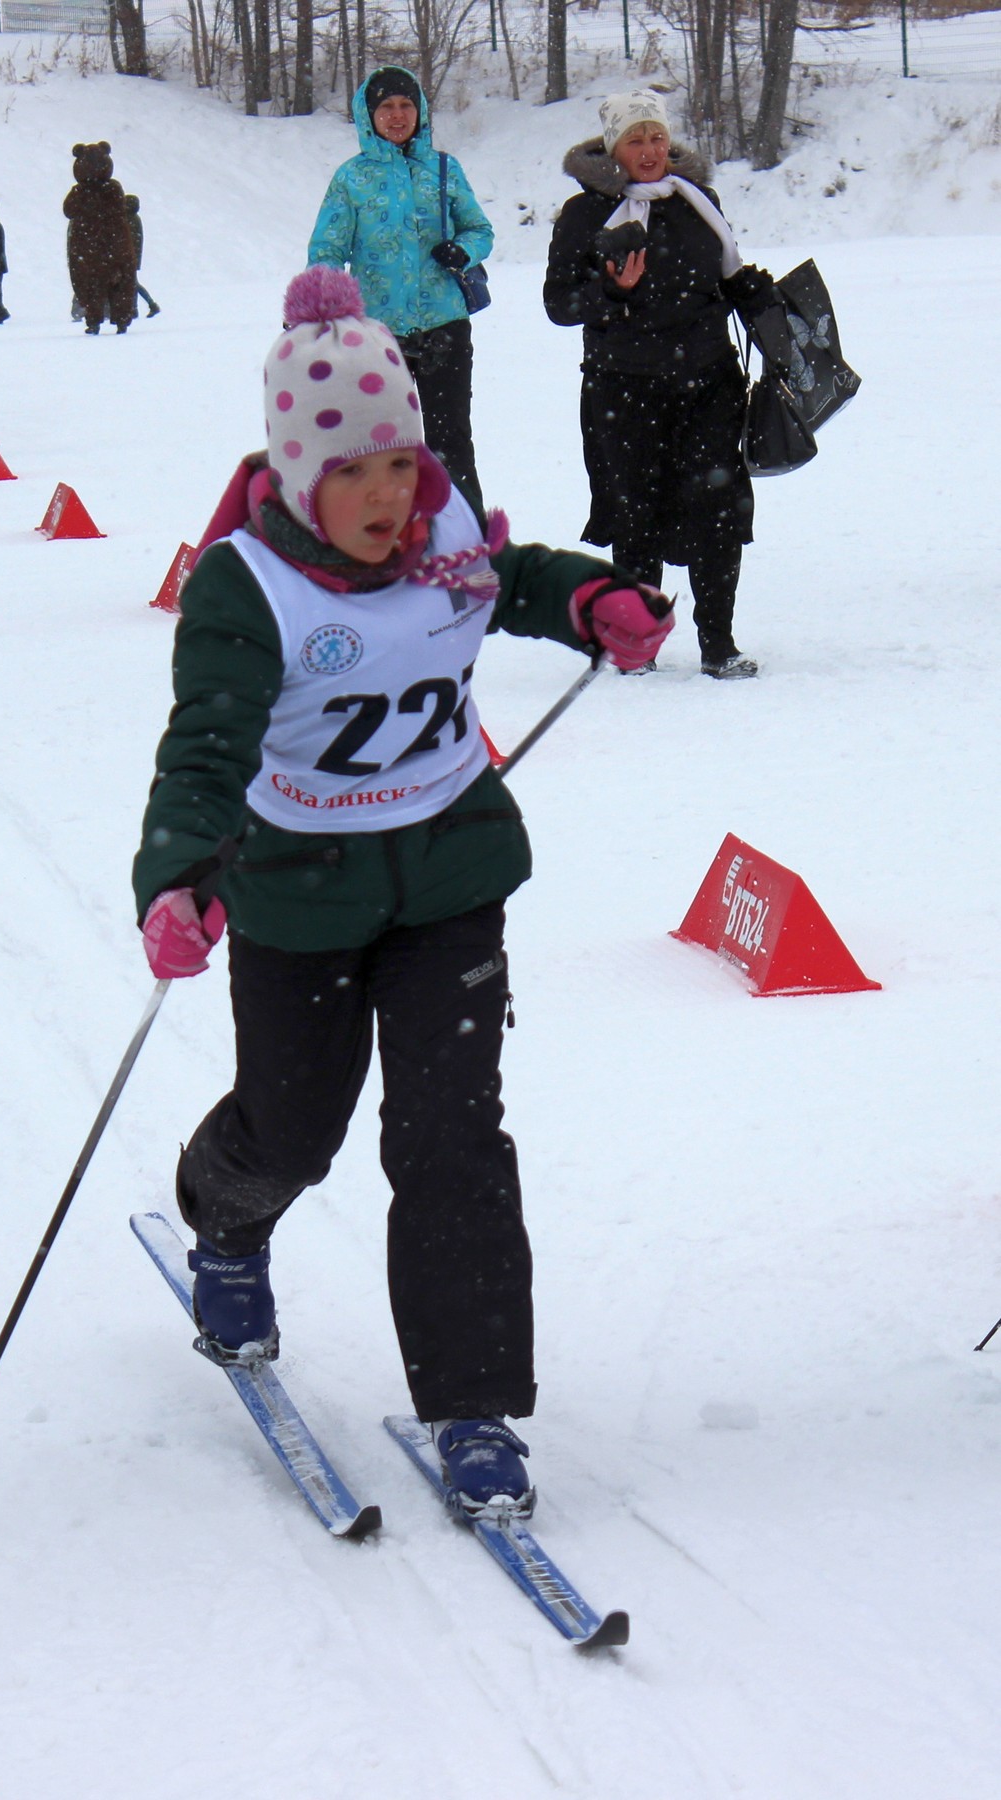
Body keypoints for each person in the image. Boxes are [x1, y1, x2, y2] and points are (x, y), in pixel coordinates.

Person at [130, 267, 673, 1520]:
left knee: (451, 1140)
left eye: (400, 464)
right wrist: (179, 878)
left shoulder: (440, 538)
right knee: (293, 1126)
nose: (387, 496)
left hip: (445, 891)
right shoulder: (243, 585)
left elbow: (516, 577)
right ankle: (226, 1229)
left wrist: (592, 597)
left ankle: (472, 1408)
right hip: (295, 898)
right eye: (356, 472)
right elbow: (205, 747)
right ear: (297, 471)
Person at [544, 89, 777, 679]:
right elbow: (559, 304)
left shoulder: (699, 200)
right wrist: (614, 292)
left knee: (717, 509)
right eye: (634, 139)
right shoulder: (585, 214)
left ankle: (718, 644)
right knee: (636, 514)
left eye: (656, 137)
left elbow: (719, 277)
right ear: (613, 148)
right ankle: (637, 644)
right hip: (624, 385)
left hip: (708, 381)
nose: (649, 150)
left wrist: (752, 293)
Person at [308, 67, 493, 521]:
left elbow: (480, 229)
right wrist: (321, 311)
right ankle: (384, 544)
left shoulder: (445, 167)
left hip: (444, 325)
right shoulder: (350, 178)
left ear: (421, 111)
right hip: (376, 335)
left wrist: (463, 250)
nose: (397, 115)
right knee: (378, 445)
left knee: (451, 443)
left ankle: (464, 546)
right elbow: (327, 251)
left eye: (406, 105)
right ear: (367, 115)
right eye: (386, 106)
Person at [62, 142, 136, 336]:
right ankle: (121, 320)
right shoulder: (113, 189)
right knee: (119, 286)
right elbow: (119, 208)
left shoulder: (80, 192)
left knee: (91, 286)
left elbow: (68, 210)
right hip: (114, 245)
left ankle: (94, 320)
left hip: (89, 250)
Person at [124, 194, 160, 319]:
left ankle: (149, 305)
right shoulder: (134, 218)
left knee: (132, 283)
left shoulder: (129, 219)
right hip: (133, 257)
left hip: (128, 257)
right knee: (132, 282)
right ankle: (136, 308)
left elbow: (128, 240)